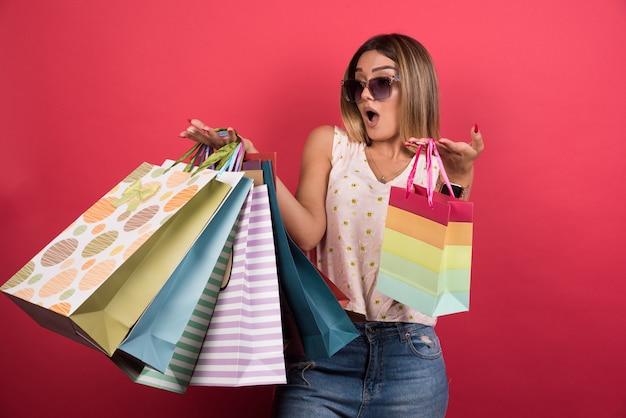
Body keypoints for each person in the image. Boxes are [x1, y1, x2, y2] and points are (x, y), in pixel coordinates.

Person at [181, 33, 484, 418]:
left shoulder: (437, 164)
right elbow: (308, 232)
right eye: (358, 84)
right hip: (325, 352)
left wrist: (457, 178)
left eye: (381, 83)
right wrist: (251, 159)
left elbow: (430, 283)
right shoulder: (331, 145)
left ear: (417, 88)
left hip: (410, 360)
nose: (365, 96)